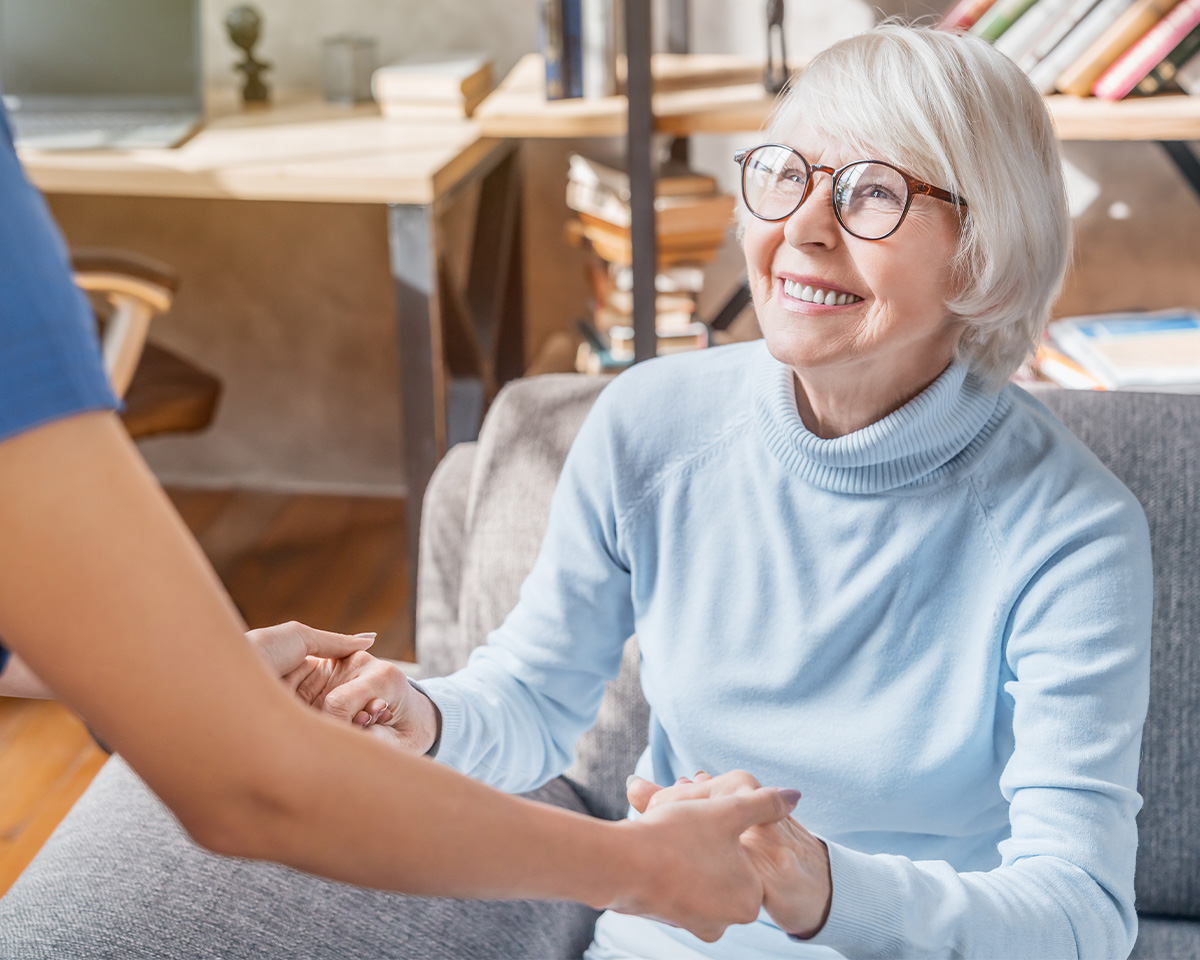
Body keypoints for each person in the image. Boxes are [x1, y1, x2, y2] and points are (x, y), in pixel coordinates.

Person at [0, 23, 1152, 960]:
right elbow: (536, 700)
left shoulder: (1073, 533)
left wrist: (818, 891)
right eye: (785, 173)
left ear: (983, 247)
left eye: (872, 194)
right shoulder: (651, 424)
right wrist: (423, 717)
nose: (801, 228)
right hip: (674, 940)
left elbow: (1082, 917)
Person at [0, 89, 801, 944]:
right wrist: (641, 866)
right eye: (781, 178)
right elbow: (252, 786)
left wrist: (206, 680)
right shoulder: (649, 425)